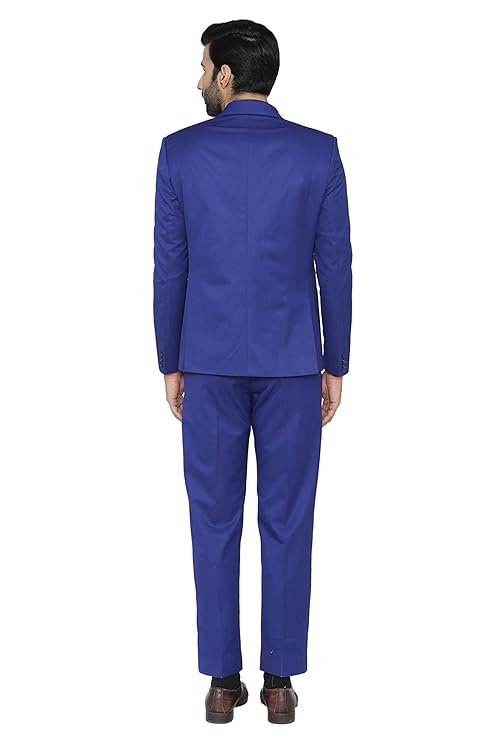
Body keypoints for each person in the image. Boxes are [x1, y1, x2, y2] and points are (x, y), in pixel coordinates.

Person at [153, 19, 352, 724]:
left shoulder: (179, 153)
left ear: (227, 75)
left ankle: (220, 680)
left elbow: (169, 266)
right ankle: (278, 682)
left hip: (207, 364)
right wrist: (335, 361)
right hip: (294, 363)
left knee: (213, 519)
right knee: (289, 518)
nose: (198, 80)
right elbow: (336, 265)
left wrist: (170, 360)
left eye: (204, 67)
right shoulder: (318, 153)